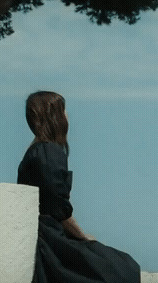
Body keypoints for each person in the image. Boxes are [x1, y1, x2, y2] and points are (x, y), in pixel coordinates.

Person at [18, 91, 141, 283]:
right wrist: (83, 236)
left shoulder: (35, 151)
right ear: (55, 116)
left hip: (44, 235)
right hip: (51, 240)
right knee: (123, 267)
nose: (67, 115)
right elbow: (59, 209)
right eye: (64, 110)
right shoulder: (49, 152)